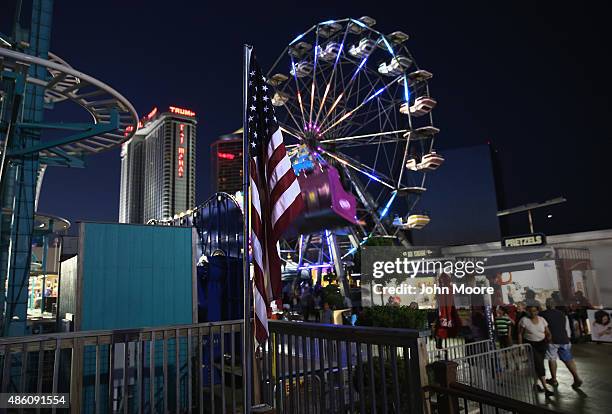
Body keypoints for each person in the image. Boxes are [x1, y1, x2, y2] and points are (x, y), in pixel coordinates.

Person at [540, 298, 583, 389]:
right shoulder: (562, 314)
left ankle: (554, 380)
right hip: (564, 339)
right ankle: (576, 377)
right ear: (554, 305)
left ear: (547, 305)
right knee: (568, 359)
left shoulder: (542, 314)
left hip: (552, 340)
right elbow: (566, 327)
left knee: (552, 359)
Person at [518, 305, 554, 396]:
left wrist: (549, 337)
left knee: (538, 365)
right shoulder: (524, 320)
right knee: (539, 365)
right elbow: (519, 334)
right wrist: (521, 346)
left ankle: (535, 384)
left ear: (537, 311)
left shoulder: (542, 319)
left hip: (542, 344)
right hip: (531, 345)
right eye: (530, 311)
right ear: (527, 311)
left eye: (534, 311)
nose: (532, 313)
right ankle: (546, 389)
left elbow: (547, 332)